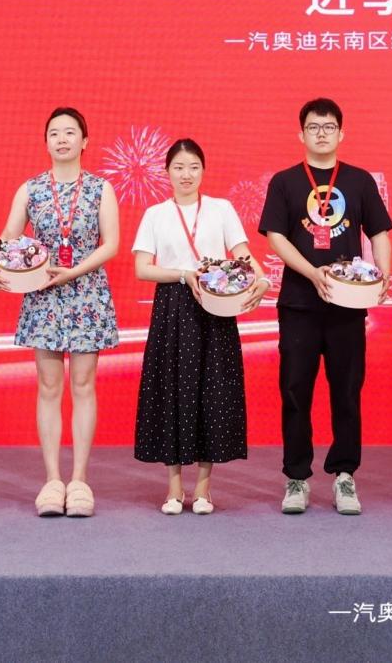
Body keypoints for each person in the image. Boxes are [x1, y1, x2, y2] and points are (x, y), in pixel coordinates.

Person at [0, 107, 119, 518]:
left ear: (84, 141)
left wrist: (73, 272)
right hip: (43, 294)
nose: (62, 139)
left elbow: (111, 243)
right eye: (54, 133)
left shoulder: (101, 188)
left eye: (70, 132)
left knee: (84, 385)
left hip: (86, 293)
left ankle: (79, 480)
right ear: (46, 142)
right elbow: (8, 238)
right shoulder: (31, 189)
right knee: (48, 386)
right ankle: (52, 480)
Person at [259, 97, 392, 516]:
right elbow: (276, 236)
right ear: (300, 134)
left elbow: (380, 232)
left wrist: (383, 273)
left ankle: (344, 475)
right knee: (295, 390)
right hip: (299, 303)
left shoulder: (359, 181)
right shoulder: (284, 182)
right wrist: (312, 273)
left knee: (347, 391)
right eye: (314, 127)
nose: (321, 133)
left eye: (329, 126)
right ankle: (297, 477)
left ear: (342, 133)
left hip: (348, 303)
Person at [132, 138, 266, 515]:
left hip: (217, 304)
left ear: (203, 170)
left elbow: (242, 255)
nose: (186, 174)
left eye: (193, 167)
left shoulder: (221, 209)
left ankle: (204, 489)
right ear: (167, 172)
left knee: (214, 393)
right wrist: (183, 274)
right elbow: (142, 268)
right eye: (178, 167)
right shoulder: (156, 214)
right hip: (173, 307)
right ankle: (174, 489)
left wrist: (261, 280)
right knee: (172, 391)